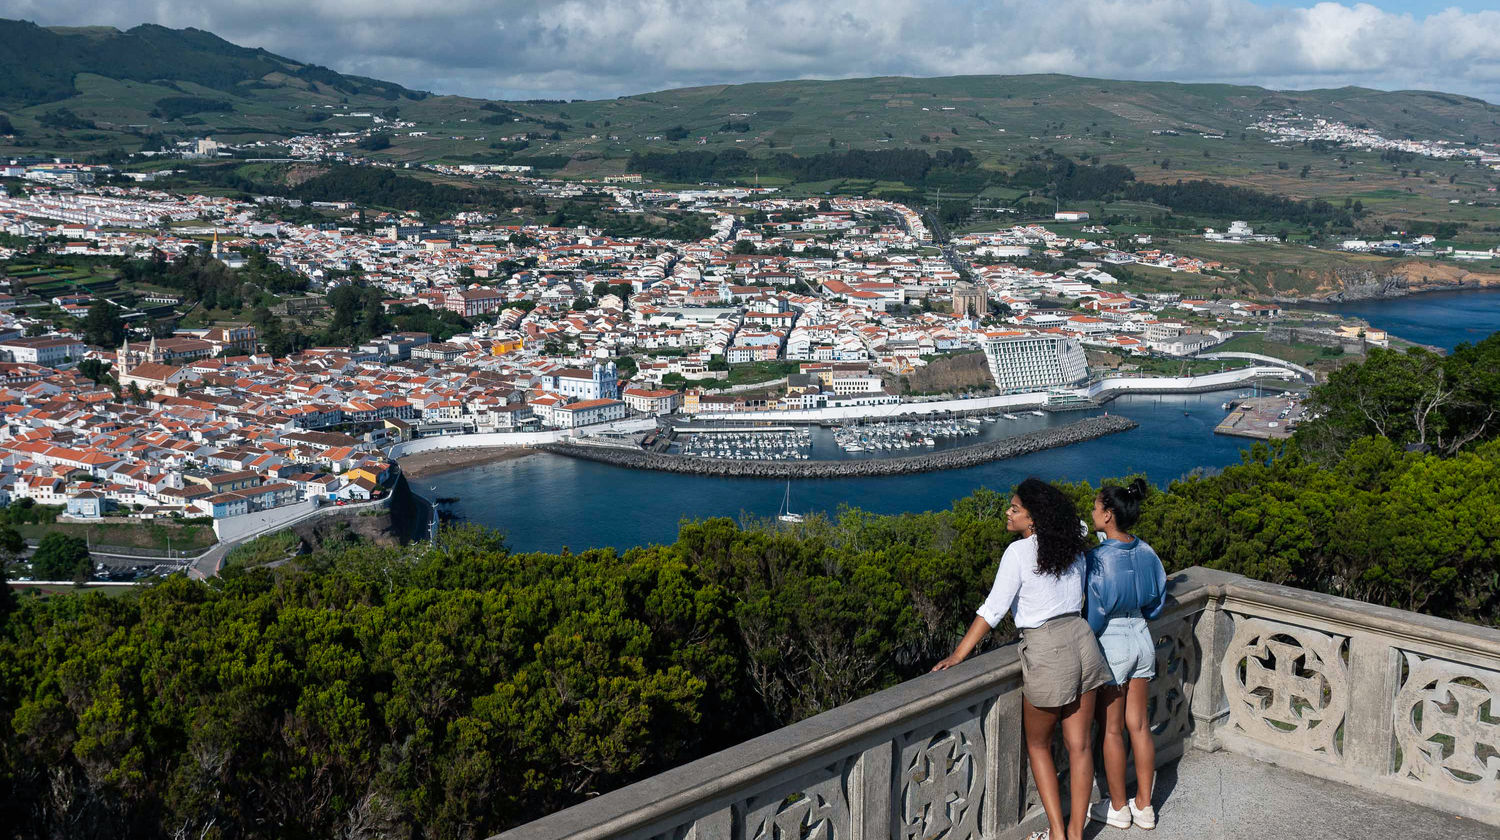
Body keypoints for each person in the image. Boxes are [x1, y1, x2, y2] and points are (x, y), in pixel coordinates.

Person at [933, 478, 1111, 840]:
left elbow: (993, 610)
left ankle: (1058, 833)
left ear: (1034, 518)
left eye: (1015, 508)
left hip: (1048, 649)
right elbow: (1076, 523)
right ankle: (1076, 833)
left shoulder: (1018, 553)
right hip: (1083, 640)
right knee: (1079, 746)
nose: (1007, 512)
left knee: (1038, 744)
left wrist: (958, 654)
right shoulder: (1069, 542)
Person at [1085, 478, 1167, 831]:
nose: (1091, 511)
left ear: (1107, 515)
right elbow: (1157, 602)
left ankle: (1118, 807)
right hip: (1142, 637)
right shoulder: (1147, 552)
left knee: (1113, 731)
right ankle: (1145, 806)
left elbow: (1094, 614)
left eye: (1094, 507)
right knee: (1140, 725)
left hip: (1113, 641)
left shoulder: (1098, 559)